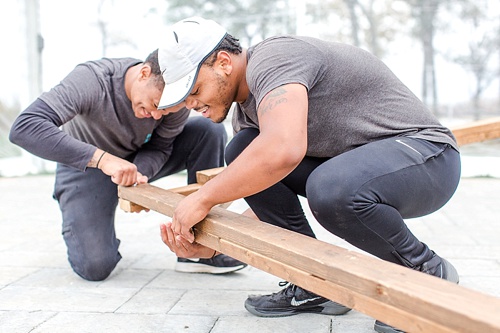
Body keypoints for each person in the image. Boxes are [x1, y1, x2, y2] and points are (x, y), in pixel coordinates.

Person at [157, 17, 461, 333]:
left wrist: (203, 198)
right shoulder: (248, 115)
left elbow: (284, 150)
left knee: (328, 187)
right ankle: (313, 282)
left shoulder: (274, 58)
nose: (193, 106)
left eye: (194, 90)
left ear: (222, 62)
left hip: (428, 158)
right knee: (242, 151)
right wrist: (216, 248)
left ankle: (426, 270)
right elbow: (267, 204)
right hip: (359, 171)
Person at [9, 49, 247, 282]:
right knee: (95, 266)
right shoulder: (92, 80)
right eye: (155, 104)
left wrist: (140, 176)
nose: (156, 116)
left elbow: (161, 146)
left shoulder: (174, 101)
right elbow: (25, 127)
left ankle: (198, 250)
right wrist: (103, 159)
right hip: (85, 164)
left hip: (135, 159)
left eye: (165, 112)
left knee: (208, 130)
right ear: (144, 73)